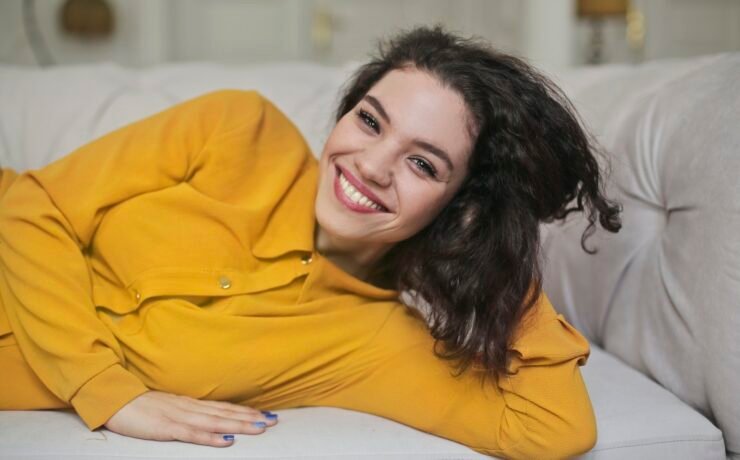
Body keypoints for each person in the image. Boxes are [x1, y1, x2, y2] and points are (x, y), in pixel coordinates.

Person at [0, 25, 621, 459]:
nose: (372, 164)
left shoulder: (369, 340)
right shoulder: (237, 128)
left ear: (460, 206)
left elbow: (552, 427)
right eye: (370, 121)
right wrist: (107, 392)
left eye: (424, 165)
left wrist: (496, 251)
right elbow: (31, 205)